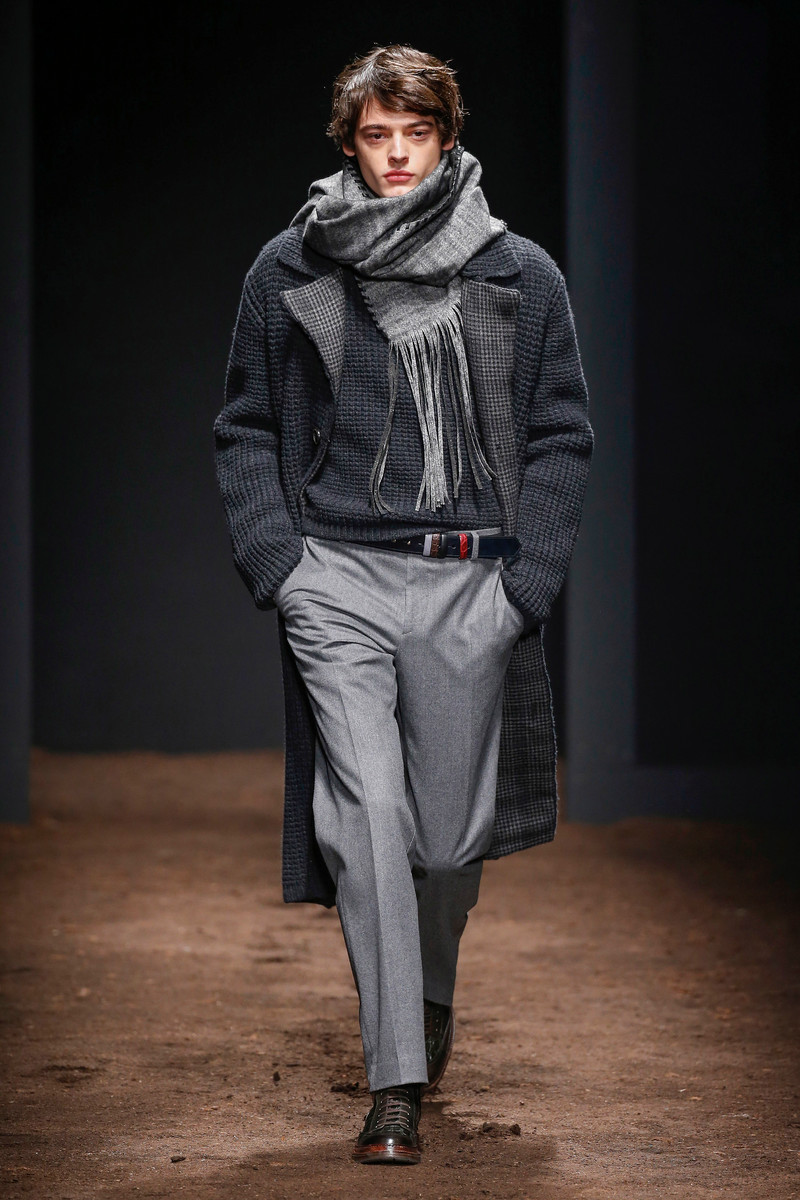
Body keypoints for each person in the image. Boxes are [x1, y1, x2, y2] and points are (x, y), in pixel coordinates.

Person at [214, 44, 592, 1165]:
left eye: (414, 135)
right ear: (348, 140)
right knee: (367, 814)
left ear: (445, 138)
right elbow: (244, 425)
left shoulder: (517, 272)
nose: (394, 155)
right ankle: (394, 1083)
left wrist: (525, 586)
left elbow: (561, 433)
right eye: (375, 135)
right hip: (337, 577)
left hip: (470, 578)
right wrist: (280, 563)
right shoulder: (291, 266)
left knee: (446, 839)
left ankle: (427, 992)